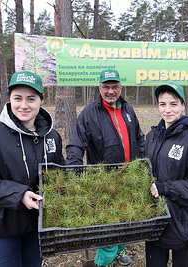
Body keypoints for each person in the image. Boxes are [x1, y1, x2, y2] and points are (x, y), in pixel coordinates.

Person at [0, 71, 64, 267]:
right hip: (1, 225)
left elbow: (58, 173)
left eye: (31, 99)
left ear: (41, 101)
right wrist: (20, 195)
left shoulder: (52, 136)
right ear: (9, 99)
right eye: (18, 98)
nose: (24, 105)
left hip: (36, 224)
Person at [66, 69, 145, 267]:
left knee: (126, 218)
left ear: (121, 87)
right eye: (106, 87)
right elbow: (76, 144)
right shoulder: (89, 113)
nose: (111, 91)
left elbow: (138, 138)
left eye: (114, 87)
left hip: (130, 176)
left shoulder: (128, 110)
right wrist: (73, 170)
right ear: (99, 88)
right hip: (104, 181)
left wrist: (144, 163)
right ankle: (104, 263)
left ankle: (121, 249)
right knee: (108, 226)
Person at [145, 83, 188, 267]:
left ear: (183, 105)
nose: (167, 110)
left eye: (173, 104)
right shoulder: (151, 136)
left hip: (183, 223)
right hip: (155, 222)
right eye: (162, 104)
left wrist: (165, 188)